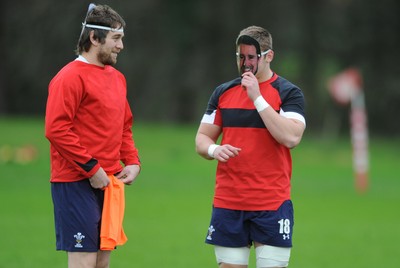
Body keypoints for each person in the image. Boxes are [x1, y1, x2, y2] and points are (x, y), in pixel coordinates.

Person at [195, 25, 306, 268]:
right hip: (228, 203)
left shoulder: (288, 93)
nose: (245, 64)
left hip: (271, 204)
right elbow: (202, 139)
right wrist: (215, 150)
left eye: (251, 57)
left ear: (269, 56)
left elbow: (291, 138)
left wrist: (257, 97)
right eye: (240, 57)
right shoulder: (223, 92)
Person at [45, 3, 141, 268]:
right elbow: (56, 129)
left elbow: (124, 126)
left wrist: (132, 161)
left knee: (101, 262)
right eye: (116, 38)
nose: (121, 46)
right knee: (83, 263)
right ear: (94, 38)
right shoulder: (69, 78)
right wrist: (91, 168)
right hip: (75, 182)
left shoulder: (117, 78)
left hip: (108, 182)